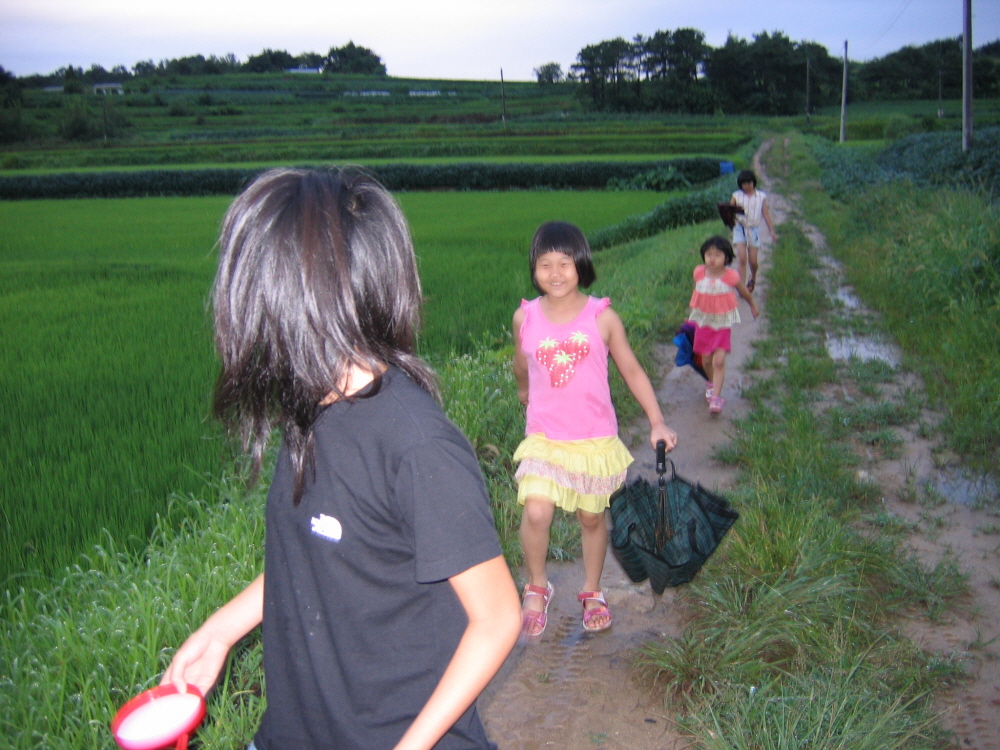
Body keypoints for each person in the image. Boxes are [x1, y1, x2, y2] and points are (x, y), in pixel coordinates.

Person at [160, 167, 522, 750]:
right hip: (297, 730)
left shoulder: (417, 446)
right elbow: (317, 550)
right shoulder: (309, 410)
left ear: (299, 305)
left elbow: (499, 617)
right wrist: (221, 630)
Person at [512, 221, 677, 640]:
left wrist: (656, 420)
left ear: (580, 264)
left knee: (590, 517)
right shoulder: (525, 317)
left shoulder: (601, 317)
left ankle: (591, 590)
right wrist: (523, 389)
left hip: (593, 436)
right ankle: (536, 585)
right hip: (545, 436)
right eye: (545, 264)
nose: (554, 273)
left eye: (563, 263)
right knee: (536, 509)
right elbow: (522, 362)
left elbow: (632, 370)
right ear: (534, 268)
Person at [688, 235, 759, 415]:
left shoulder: (731, 276)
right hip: (704, 323)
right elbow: (699, 294)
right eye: (709, 254)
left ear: (726, 258)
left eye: (717, 254)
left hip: (722, 324)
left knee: (718, 360)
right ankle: (712, 384)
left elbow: (744, 292)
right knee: (706, 360)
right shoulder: (698, 272)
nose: (712, 258)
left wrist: (752, 305)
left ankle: (716, 398)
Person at [729, 169, 777, 292]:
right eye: (744, 183)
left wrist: (771, 230)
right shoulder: (736, 196)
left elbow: (765, 213)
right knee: (742, 258)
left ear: (753, 182)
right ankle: (742, 287)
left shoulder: (761, 197)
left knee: (753, 261)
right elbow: (729, 211)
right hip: (740, 228)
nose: (747, 186)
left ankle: (753, 277)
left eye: (749, 183)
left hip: (754, 229)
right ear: (740, 185)